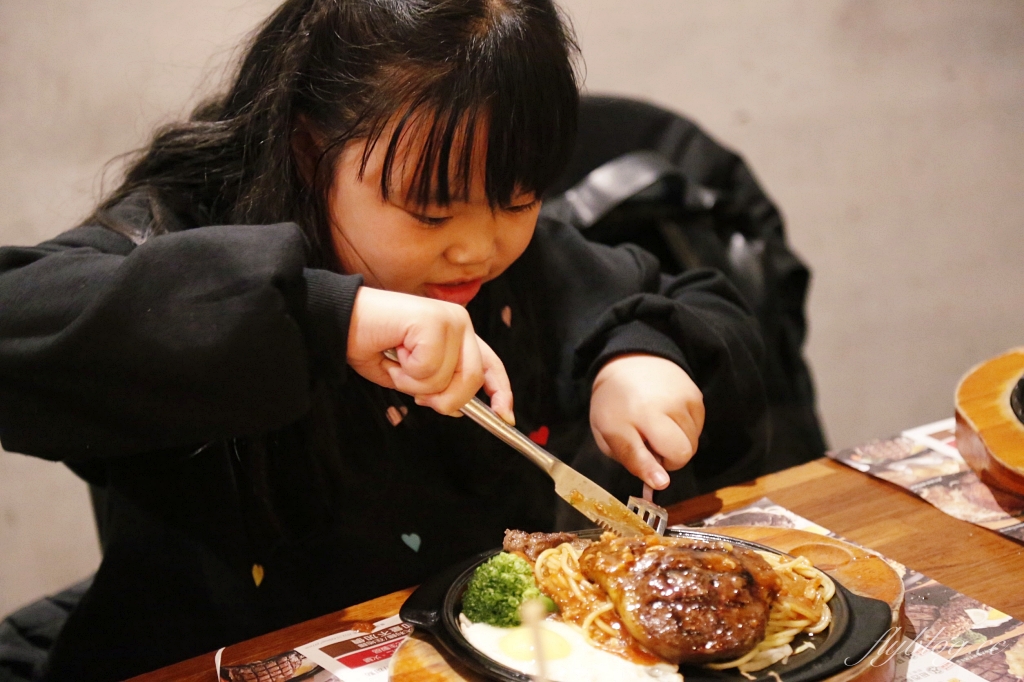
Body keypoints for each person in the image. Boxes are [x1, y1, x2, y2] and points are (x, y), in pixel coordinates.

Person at [0, 0, 767, 680]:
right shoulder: (181, 230)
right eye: (430, 213)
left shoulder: (514, 258)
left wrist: (641, 353)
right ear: (310, 150)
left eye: (519, 198)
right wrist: (330, 315)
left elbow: (681, 299)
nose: (477, 249)